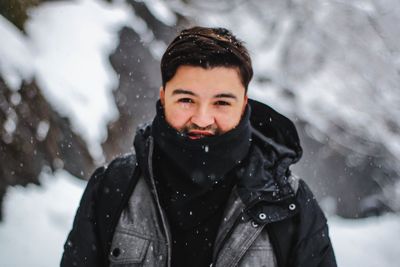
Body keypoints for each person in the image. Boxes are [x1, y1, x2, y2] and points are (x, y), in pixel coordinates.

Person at [61, 26, 337, 267]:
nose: (202, 119)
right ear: (163, 97)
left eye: (221, 103)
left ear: (244, 104)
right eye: (186, 100)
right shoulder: (114, 185)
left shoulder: (291, 204)